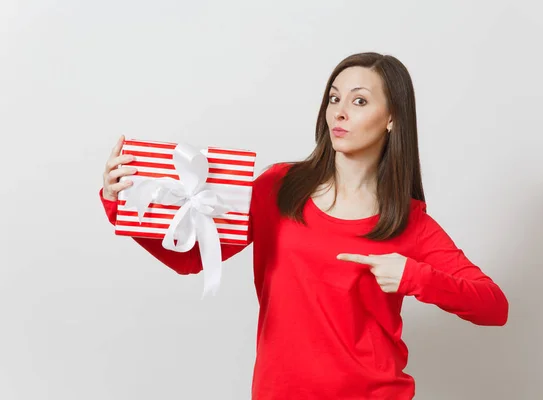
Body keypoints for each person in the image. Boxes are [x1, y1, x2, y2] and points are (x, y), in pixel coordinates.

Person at [100, 52, 508, 399]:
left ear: (392, 119)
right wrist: (122, 204)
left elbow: (493, 306)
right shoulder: (280, 186)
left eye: (360, 101)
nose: (340, 112)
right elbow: (191, 259)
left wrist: (413, 275)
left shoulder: (407, 222)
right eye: (334, 98)